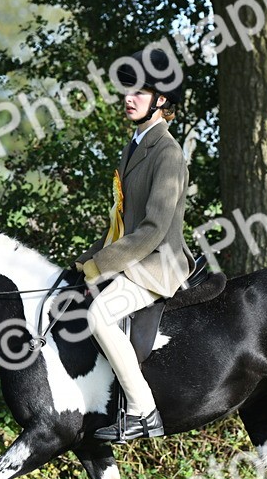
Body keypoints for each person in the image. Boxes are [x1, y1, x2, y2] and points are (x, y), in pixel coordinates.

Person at [76, 47, 195, 442]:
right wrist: (89, 258)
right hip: (134, 255)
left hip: (159, 262)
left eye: (140, 92)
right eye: (128, 90)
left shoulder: (168, 152)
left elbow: (153, 228)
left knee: (99, 316)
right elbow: (122, 221)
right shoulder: (134, 146)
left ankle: (144, 413)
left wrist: (104, 264)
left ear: (161, 101)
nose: (129, 98)